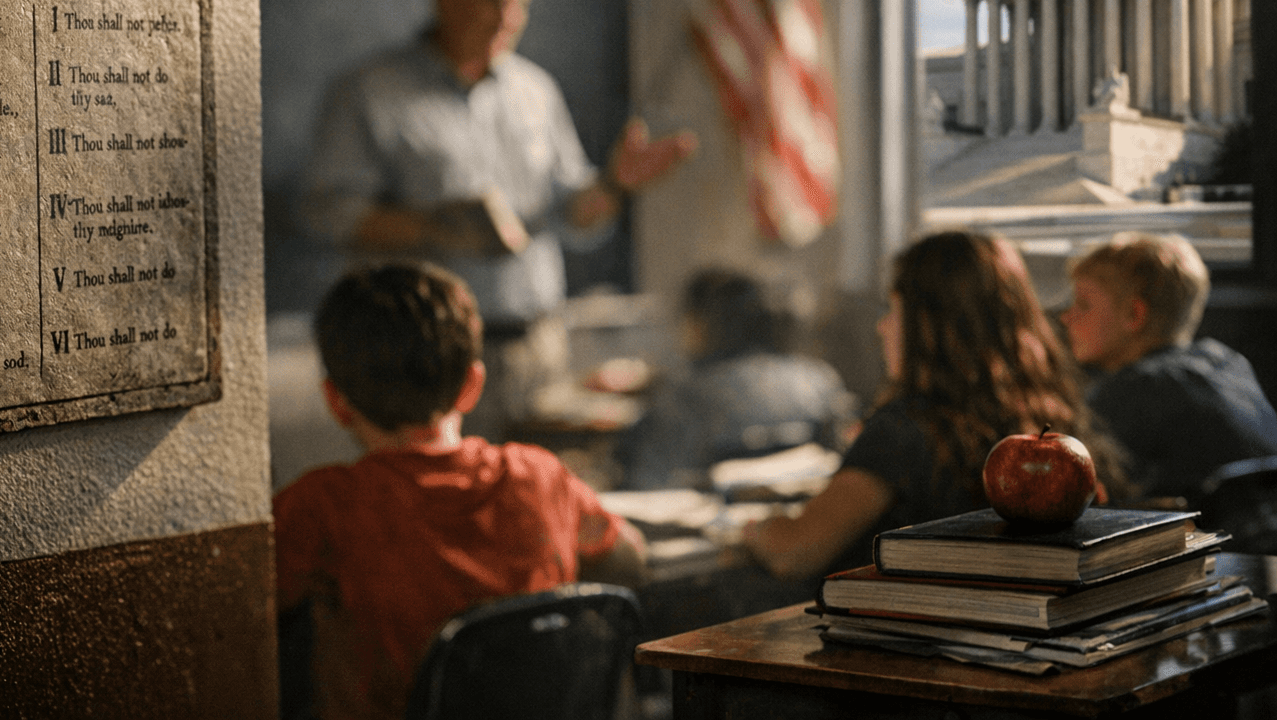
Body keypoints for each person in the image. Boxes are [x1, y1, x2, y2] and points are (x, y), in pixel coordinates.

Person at [301, 0, 696, 439]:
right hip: (424, 357)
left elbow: (574, 218)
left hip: (536, 347)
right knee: (439, 505)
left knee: (532, 501)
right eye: (494, 1)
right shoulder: (368, 91)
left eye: (520, 5)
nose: (509, 20)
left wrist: (615, 185)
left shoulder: (536, 90)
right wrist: (441, 228)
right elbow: (328, 214)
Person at [274, 261, 647, 720]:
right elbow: (631, 558)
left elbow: (239, 612)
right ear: (472, 386)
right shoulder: (538, 474)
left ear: (335, 401)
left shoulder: (322, 505)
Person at [742, 230, 1124, 580]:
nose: (882, 327)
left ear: (929, 326)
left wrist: (755, 529)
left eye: (893, 310)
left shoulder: (907, 428)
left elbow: (796, 550)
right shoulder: (1051, 413)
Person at [1060, 231, 1277, 504]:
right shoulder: (1226, 361)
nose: (1067, 317)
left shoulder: (1134, 391)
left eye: (1083, 304)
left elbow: (1080, 495)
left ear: (1134, 315)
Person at [617, 268, 858, 490]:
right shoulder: (818, 380)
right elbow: (849, 466)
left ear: (700, 324)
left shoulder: (686, 398)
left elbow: (646, 484)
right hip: (803, 524)